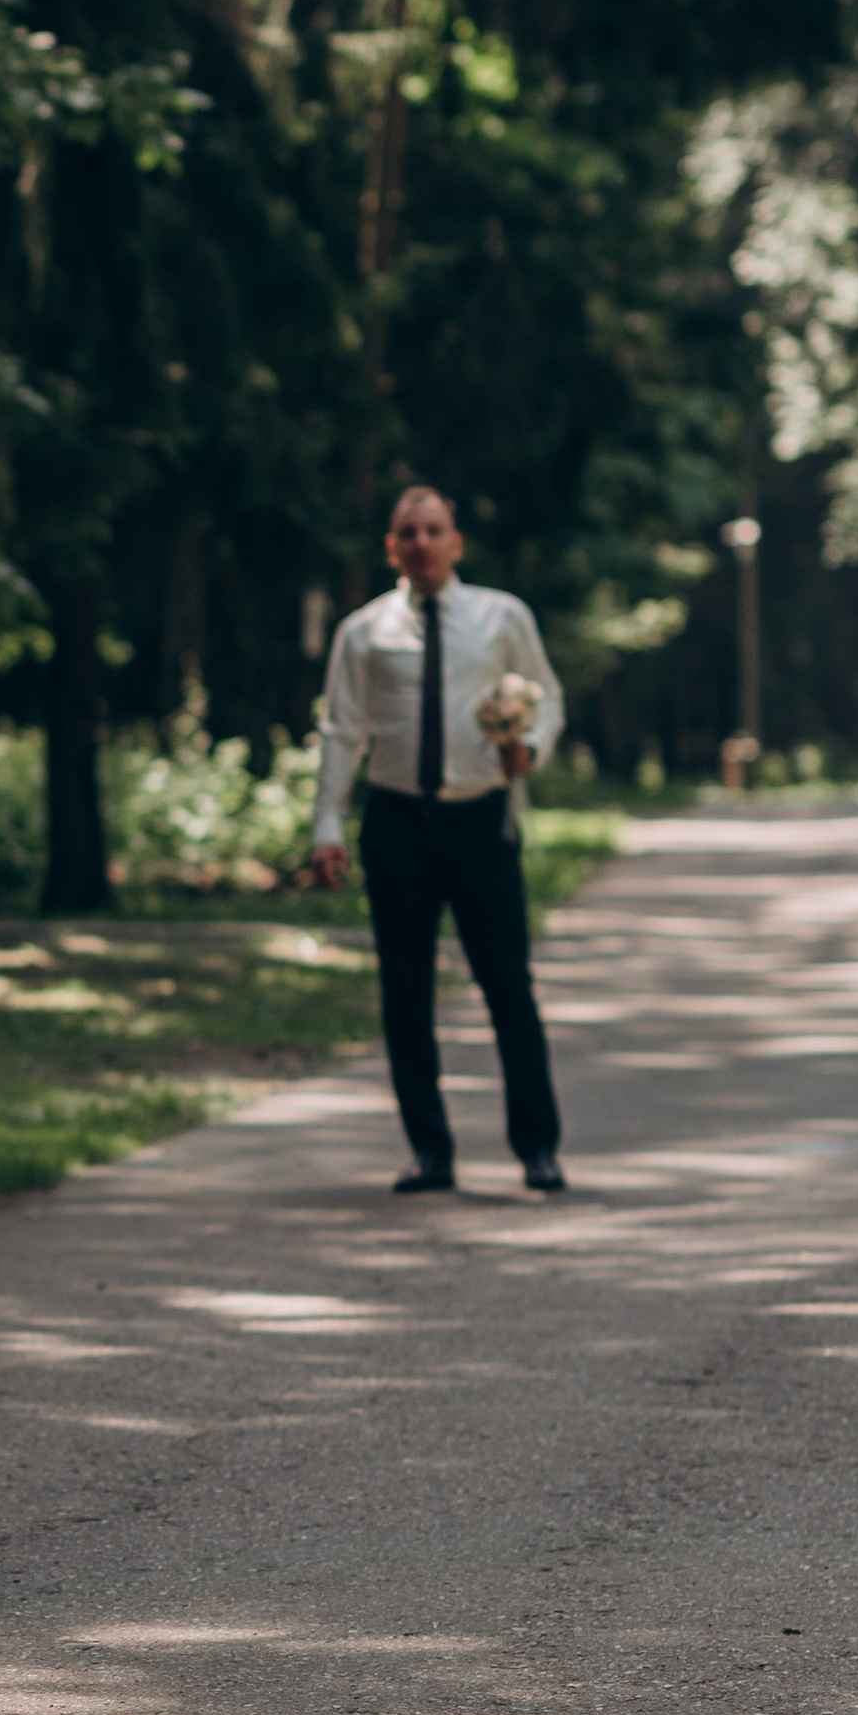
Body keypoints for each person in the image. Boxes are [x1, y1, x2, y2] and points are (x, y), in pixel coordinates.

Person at [308, 483, 568, 1196]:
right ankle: (429, 1151)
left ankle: (537, 1148)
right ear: (391, 548)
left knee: (507, 987)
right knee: (405, 991)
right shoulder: (364, 632)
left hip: (481, 819)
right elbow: (341, 730)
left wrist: (530, 749)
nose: (421, 542)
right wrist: (327, 824)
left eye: (433, 530)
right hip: (397, 824)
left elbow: (547, 696)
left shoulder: (501, 617)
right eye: (408, 532)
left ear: (456, 542)